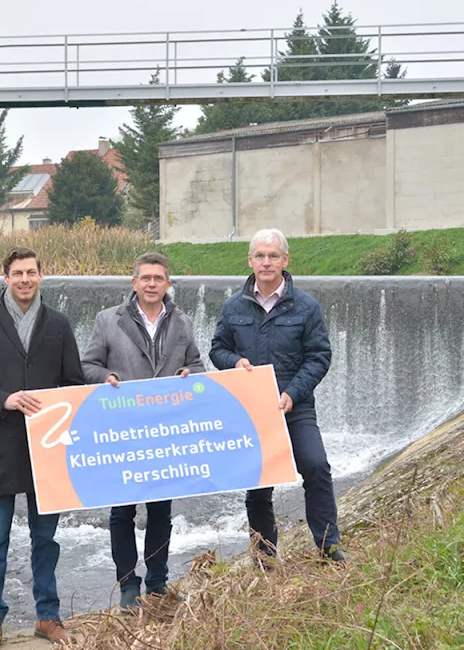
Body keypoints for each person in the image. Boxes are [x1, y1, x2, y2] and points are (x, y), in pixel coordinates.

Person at [0, 247, 84, 649]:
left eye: (31, 272)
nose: (24, 279)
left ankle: (48, 616)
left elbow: (75, 385)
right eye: (17, 273)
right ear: (5, 277)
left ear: (40, 276)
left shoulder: (58, 324)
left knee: (46, 540)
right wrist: (3, 399)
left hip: (48, 450)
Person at [209, 228, 345, 564]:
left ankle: (328, 547)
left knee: (316, 468)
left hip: (294, 406)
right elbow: (218, 349)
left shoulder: (306, 307)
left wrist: (293, 394)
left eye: (273, 256)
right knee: (258, 484)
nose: (266, 262)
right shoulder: (233, 307)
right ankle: (264, 557)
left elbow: (319, 357)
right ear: (250, 261)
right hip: (252, 410)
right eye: (260, 256)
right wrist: (234, 361)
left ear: (285, 260)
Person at [80, 252, 206, 609]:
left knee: (161, 511)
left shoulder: (182, 322)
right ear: (134, 283)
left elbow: (196, 364)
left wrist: (190, 375)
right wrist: (105, 377)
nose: (152, 284)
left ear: (168, 284)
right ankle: (127, 586)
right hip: (122, 432)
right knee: (122, 512)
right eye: (146, 278)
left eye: (159, 278)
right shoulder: (108, 321)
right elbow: (87, 364)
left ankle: (157, 583)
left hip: (166, 432)